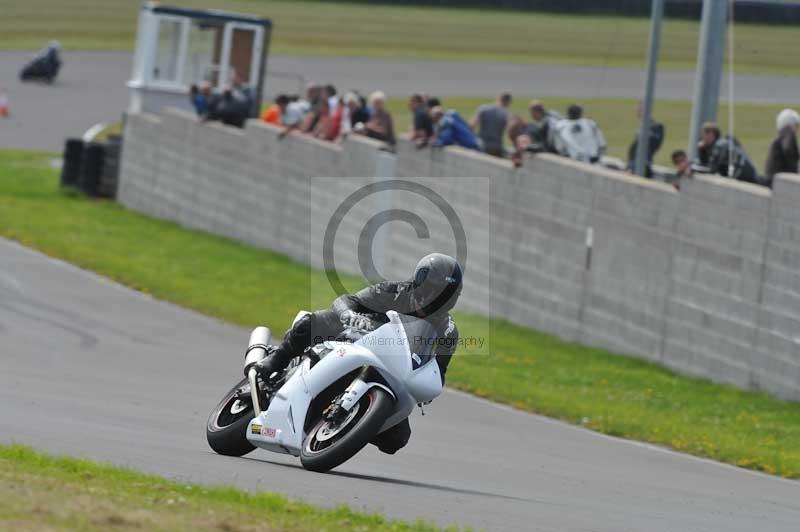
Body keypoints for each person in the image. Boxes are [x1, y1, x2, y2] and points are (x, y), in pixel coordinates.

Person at [248, 253, 463, 455]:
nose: (434, 297)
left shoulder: (448, 331)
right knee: (313, 322)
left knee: (397, 439)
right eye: (432, 289)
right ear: (419, 283)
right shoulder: (395, 292)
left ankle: (354, 422)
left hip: (392, 371)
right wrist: (349, 314)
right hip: (353, 341)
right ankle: (276, 359)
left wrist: (428, 388)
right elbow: (347, 300)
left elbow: (438, 371)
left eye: (443, 293)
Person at [626, 102, 665, 177]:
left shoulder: (655, 128)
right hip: (636, 165)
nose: (637, 111)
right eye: (637, 109)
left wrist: (632, 165)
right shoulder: (642, 127)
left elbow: (652, 147)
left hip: (641, 166)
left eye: (640, 110)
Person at [470, 92, 512, 157]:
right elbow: (510, 132)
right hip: (496, 148)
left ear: (498, 98)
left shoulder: (483, 108)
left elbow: (471, 125)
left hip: (481, 145)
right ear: (508, 102)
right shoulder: (506, 114)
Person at [765, 108, 800, 183]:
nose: (797, 129)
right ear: (790, 126)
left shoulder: (777, 142)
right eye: (796, 125)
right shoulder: (788, 138)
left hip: (775, 183)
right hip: (783, 184)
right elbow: (788, 150)